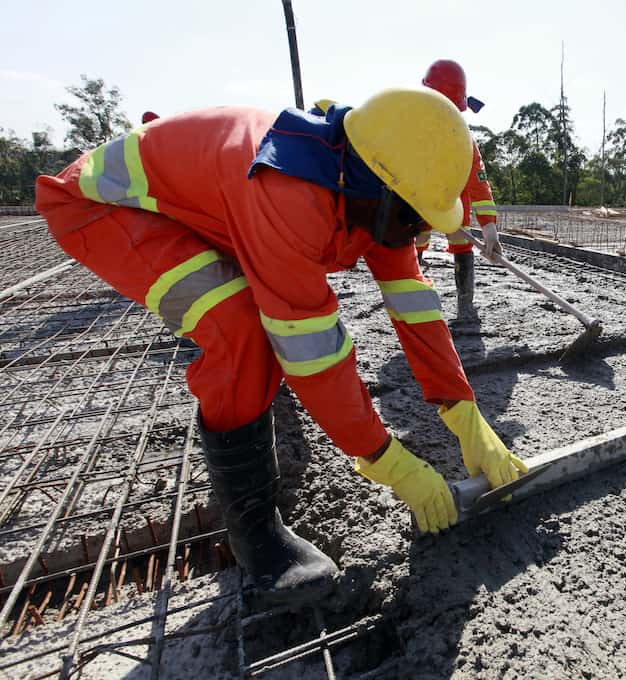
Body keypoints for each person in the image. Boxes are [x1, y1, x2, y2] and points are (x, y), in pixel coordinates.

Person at [35, 88, 527, 607]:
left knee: (252, 318)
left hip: (198, 210)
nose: (417, 232)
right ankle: (258, 541)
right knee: (240, 327)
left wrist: (467, 416)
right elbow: (313, 356)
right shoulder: (289, 192)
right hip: (104, 208)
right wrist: (389, 462)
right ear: (376, 187)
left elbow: (415, 307)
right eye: (413, 217)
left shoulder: (363, 188)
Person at [417, 59, 501, 322]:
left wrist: (489, 230)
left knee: (461, 244)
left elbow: (478, 184)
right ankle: (414, 296)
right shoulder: (411, 130)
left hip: (454, 201)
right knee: (415, 240)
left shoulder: (465, 140)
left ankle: (465, 303)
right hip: (416, 200)